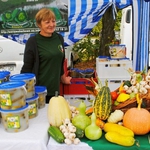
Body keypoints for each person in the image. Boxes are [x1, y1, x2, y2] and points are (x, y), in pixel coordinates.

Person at [21, 8, 72, 103]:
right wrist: (24, 91)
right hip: (39, 92)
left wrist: (64, 78)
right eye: (47, 22)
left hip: (55, 90)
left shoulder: (59, 38)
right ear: (39, 24)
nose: (51, 25)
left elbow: (60, 62)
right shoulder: (33, 42)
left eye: (53, 21)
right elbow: (27, 68)